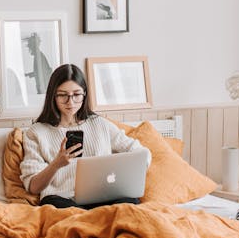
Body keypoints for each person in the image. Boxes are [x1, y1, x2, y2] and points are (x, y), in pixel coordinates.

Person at [20, 63, 150, 208]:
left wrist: (127, 170)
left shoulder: (100, 124)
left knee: (130, 205)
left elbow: (141, 153)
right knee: (66, 213)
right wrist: (56, 164)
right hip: (62, 199)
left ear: (84, 94)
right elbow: (33, 187)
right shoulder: (36, 132)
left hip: (104, 196)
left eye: (76, 95)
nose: (70, 102)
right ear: (53, 96)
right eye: (63, 95)